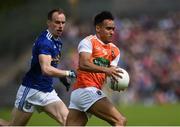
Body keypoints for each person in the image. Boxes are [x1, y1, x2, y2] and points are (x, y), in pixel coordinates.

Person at [0, 8, 76, 126]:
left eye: (63, 22)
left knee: (70, 122)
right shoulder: (45, 42)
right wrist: (68, 73)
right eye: (57, 22)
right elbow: (46, 69)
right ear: (49, 23)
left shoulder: (57, 41)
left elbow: (52, 64)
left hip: (47, 91)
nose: (60, 26)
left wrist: (62, 77)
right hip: (31, 91)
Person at [65, 11, 127, 126]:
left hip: (82, 93)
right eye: (108, 28)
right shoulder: (88, 42)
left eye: (113, 29)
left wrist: (117, 83)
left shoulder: (115, 51)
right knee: (120, 120)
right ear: (98, 28)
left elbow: (111, 74)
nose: (112, 32)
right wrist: (106, 70)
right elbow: (84, 64)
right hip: (87, 90)